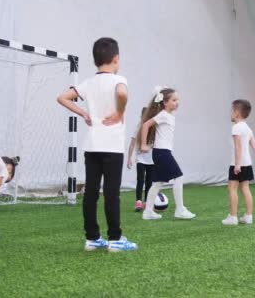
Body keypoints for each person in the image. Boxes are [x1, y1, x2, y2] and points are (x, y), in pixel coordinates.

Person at [57, 37, 137, 252]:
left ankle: (92, 238)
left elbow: (62, 97)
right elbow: (121, 93)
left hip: (91, 146)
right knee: (112, 193)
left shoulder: (88, 82)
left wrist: (83, 112)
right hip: (112, 147)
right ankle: (115, 240)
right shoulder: (119, 79)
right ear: (116, 58)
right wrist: (120, 112)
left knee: (91, 193)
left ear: (95, 60)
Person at [139, 87, 196, 220]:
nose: (177, 102)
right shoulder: (163, 114)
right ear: (165, 102)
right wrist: (143, 144)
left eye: (178, 100)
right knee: (179, 176)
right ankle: (180, 209)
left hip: (161, 152)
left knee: (157, 183)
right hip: (162, 152)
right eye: (174, 100)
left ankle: (148, 212)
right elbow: (145, 125)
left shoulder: (169, 115)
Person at [222, 99, 255, 226]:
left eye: (232, 110)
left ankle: (233, 217)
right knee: (245, 189)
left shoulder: (236, 128)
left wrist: (237, 164)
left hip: (237, 164)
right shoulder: (247, 128)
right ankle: (248, 216)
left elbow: (238, 147)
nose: (230, 113)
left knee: (232, 188)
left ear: (236, 112)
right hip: (247, 164)